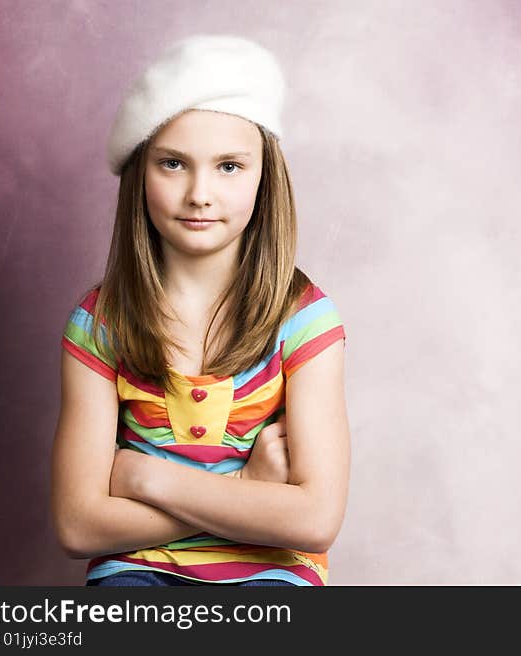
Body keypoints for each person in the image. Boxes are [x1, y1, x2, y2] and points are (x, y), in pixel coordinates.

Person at [50, 34, 351, 587]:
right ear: (140, 174)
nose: (200, 193)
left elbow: (314, 520)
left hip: (273, 575)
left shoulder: (305, 319)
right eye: (173, 164)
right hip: (135, 575)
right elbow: (77, 525)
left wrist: (146, 478)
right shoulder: (98, 324)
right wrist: (247, 494)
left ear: (266, 179)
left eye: (229, 166)